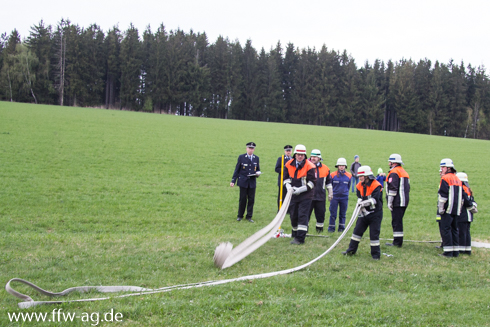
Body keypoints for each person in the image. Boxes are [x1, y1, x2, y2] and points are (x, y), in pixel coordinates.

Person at [342, 166, 383, 260]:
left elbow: (375, 200)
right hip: (364, 213)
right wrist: (361, 208)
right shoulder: (359, 185)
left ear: (367, 176)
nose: (359, 178)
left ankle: (376, 256)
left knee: (374, 235)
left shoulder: (376, 185)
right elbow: (359, 197)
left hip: (375, 214)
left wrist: (364, 203)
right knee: (356, 232)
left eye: (361, 176)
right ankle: (351, 251)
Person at [283, 144, 317, 245]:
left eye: (302, 154)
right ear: (295, 154)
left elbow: (312, 183)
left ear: (305, 155)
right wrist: (288, 186)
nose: (300, 156)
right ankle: (295, 233)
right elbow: (285, 178)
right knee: (293, 215)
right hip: (293, 194)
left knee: (302, 215)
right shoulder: (288, 164)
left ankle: (300, 238)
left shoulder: (310, 166)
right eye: (298, 154)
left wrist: (301, 190)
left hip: (306, 195)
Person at [437, 158, 463, 257]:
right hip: (456, 209)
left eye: (443, 167)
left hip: (447, 209)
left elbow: (443, 195)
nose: (441, 169)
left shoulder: (445, 178)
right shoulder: (457, 179)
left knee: (446, 229)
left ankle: (448, 252)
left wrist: (441, 208)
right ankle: (455, 251)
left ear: (448, 168)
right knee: (454, 230)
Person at [230, 142, 261, 223]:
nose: (251, 150)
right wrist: (233, 180)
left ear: (254, 149)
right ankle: (240, 215)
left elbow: (257, 169)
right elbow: (237, 169)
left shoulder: (256, 158)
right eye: (249, 148)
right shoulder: (241, 157)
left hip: (252, 182)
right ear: (246, 149)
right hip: (243, 181)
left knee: (251, 200)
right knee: (243, 199)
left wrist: (258, 173)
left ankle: (249, 216)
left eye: (252, 148)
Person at [385, 154, 410, 248]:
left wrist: (390, 201)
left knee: (396, 222)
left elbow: (393, 188)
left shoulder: (394, 172)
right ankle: (397, 241)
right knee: (398, 221)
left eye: (390, 162)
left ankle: (397, 242)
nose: (389, 163)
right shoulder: (403, 171)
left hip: (397, 201)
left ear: (393, 162)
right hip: (404, 200)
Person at [308, 149, 332, 233]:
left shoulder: (325, 168)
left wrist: (330, 192)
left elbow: (328, 182)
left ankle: (319, 232)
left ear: (319, 158)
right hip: (308, 196)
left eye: (315, 157)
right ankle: (304, 232)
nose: (313, 158)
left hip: (320, 197)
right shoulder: (307, 166)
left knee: (321, 215)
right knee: (306, 215)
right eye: (312, 156)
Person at [456, 172, 478, 255]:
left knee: (461, 232)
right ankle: (467, 249)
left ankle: (461, 249)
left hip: (463, 215)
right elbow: (472, 201)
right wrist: (473, 207)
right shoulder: (468, 189)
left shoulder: (462, 189)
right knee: (466, 232)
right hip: (469, 216)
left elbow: (465, 202)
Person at [328, 158, 352, 233]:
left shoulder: (349, 175)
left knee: (343, 213)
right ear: (337, 166)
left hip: (344, 197)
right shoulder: (332, 175)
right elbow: (330, 186)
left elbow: (349, 186)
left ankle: (341, 229)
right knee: (333, 213)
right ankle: (331, 229)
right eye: (340, 165)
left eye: (343, 165)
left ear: (345, 166)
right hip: (334, 197)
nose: (341, 167)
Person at [275, 145, 293, 211]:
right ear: (285, 151)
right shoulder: (281, 159)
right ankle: (280, 209)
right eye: (287, 151)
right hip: (282, 180)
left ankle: (288, 209)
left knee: (289, 196)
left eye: (289, 151)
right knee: (281, 195)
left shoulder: (293, 159)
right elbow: (276, 169)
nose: (288, 152)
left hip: (291, 180)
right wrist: (285, 171)